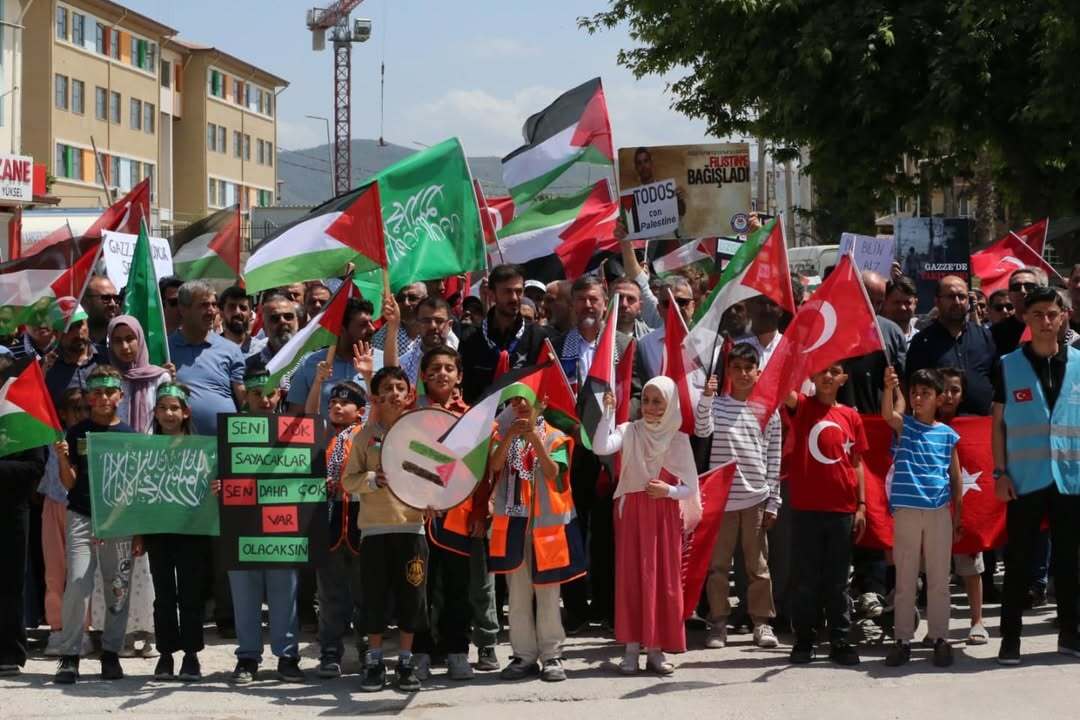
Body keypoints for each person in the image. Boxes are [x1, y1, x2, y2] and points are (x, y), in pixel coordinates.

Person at [992, 285, 1080, 665]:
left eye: (1053, 314)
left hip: (1071, 479)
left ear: (1064, 318)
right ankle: (1010, 640)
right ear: (1025, 318)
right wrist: (999, 472)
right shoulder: (1008, 364)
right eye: (1038, 314)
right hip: (1024, 479)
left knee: (1069, 563)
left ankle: (1070, 635)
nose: (1046, 321)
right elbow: (997, 426)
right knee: (1018, 564)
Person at [592, 377, 701, 675]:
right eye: (647, 400)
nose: (650, 408)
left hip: (664, 514)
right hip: (632, 513)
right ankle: (630, 649)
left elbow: (691, 487)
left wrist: (668, 491)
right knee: (632, 578)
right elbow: (601, 445)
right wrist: (608, 414)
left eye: (658, 402)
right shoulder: (629, 430)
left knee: (662, 580)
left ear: (670, 405)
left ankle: (655, 650)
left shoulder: (678, 439)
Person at [341, 366, 427, 693]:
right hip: (375, 532)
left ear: (408, 395)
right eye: (387, 388)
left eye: (400, 387)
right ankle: (375, 660)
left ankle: (405, 661)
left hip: (412, 530)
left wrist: (435, 499)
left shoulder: (417, 435)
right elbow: (348, 481)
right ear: (376, 397)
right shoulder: (364, 436)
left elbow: (435, 475)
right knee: (374, 599)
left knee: (412, 597)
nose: (394, 393)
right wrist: (374, 480)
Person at [418, 346, 501, 674]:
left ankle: (456, 650)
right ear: (423, 376)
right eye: (434, 368)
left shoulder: (473, 418)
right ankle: (421, 652)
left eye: (448, 368)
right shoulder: (413, 415)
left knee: (457, 587)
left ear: (459, 376)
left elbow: (482, 474)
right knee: (420, 586)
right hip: (420, 517)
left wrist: (480, 512)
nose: (441, 373)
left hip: (460, 515)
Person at [220, 367, 305, 684]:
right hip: (241, 524)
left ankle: (287, 657)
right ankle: (247, 658)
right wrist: (220, 484)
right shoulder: (229, 431)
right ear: (246, 395)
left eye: (269, 392)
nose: (264, 399)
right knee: (244, 593)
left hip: (283, 526)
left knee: (286, 590)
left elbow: (306, 474)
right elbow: (218, 472)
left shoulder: (295, 432)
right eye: (257, 393)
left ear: (279, 394)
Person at [693, 344, 781, 650]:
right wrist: (706, 397)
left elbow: (774, 458)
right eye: (737, 368)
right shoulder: (716, 405)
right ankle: (718, 621)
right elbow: (702, 429)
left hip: (756, 498)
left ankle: (762, 623)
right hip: (721, 501)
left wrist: (774, 501)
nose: (743, 374)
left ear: (758, 371)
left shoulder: (769, 409)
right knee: (717, 566)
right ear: (727, 371)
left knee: (757, 565)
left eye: (749, 368)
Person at [488, 396, 581, 683]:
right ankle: (523, 656)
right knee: (517, 596)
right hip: (513, 527)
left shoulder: (556, 437)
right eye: (514, 401)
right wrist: (511, 438)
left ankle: (552, 655)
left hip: (546, 530)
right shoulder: (502, 435)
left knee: (548, 596)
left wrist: (533, 439)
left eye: (526, 400)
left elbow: (554, 474)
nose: (521, 406)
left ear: (541, 403)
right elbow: (493, 466)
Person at [52, 366, 136, 684]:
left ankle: (111, 654)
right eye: (96, 392)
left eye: (108, 392)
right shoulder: (76, 433)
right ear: (88, 396)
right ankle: (70, 655)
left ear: (120, 395)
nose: (102, 398)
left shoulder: (131, 437)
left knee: (117, 589)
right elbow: (70, 484)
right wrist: (61, 459)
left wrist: (138, 529)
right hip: (82, 515)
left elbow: (135, 488)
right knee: (76, 583)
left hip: (119, 521)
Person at [785, 364, 867, 666]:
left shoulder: (851, 416)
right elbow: (784, 392)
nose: (829, 377)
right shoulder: (803, 407)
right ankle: (805, 639)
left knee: (837, 580)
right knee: (805, 579)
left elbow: (857, 463)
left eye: (835, 371)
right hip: (807, 508)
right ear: (813, 378)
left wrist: (862, 506)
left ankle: (840, 639)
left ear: (843, 378)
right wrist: (794, 355)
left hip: (842, 510)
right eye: (822, 372)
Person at [881, 367, 962, 667]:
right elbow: (888, 414)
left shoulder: (948, 434)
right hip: (907, 510)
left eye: (926, 393)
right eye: (915, 392)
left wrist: (959, 515)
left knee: (940, 578)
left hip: (939, 511)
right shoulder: (905, 426)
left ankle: (940, 637)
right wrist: (889, 388)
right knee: (905, 578)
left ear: (939, 398)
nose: (918, 397)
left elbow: (954, 477)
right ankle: (902, 639)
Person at [144, 383, 211, 682]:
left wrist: (217, 488)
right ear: (155, 413)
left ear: (185, 413)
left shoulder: (203, 449)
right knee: (164, 595)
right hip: (158, 530)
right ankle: (166, 654)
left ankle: (191, 654)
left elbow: (212, 488)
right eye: (163, 408)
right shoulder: (145, 450)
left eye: (174, 408)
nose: (169, 414)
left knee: (190, 593)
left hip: (192, 531)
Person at [314, 380, 366, 679]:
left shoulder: (366, 435)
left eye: (344, 403)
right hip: (328, 522)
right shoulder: (320, 436)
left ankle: (364, 649)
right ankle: (330, 652)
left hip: (359, 521)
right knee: (330, 594)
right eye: (332, 401)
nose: (336, 406)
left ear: (360, 411)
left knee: (364, 593)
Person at [0, 360, 48, 676]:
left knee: (8, 584)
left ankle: (7, 652)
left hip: (10, 510)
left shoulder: (21, 405)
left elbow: (35, 468)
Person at [936, 367, 990, 645]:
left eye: (955, 390)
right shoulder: (921, 423)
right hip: (932, 510)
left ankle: (977, 622)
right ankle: (937, 625)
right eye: (943, 389)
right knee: (932, 571)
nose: (947, 396)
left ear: (963, 394)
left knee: (970, 566)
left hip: (965, 509)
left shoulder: (974, 425)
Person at [40, 389, 89, 658]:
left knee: (80, 573)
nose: (80, 414)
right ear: (62, 414)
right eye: (75, 410)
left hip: (80, 509)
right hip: (53, 505)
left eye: (85, 409)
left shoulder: (88, 437)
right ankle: (57, 627)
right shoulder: (52, 437)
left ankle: (81, 630)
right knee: (54, 571)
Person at [906, 275, 997, 416]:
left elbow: (996, 378)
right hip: (937, 428)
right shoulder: (922, 341)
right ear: (937, 301)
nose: (957, 302)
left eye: (962, 297)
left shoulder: (984, 336)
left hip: (981, 426)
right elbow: (913, 386)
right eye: (951, 296)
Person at [459, 264, 550, 404]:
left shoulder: (538, 337)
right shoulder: (470, 338)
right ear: (491, 294)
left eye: (519, 291)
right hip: (479, 420)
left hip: (522, 420)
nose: (514, 298)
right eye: (507, 292)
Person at [287, 296, 386, 416]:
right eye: (363, 324)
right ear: (340, 329)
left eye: (371, 322)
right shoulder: (310, 363)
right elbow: (295, 415)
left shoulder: (383, 362)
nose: (372, 329)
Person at [168, 281, 245, 435]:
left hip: (224, 446)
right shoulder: (165, 349)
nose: (211, 311)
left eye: (213, 305)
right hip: (180, 447)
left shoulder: (230, 350)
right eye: (203, 305)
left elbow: (243, 400)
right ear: (183, 309)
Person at [107, 316, 172, 433]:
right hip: (116, 448)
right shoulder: (108, 380)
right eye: (117, 341)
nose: (124, 347)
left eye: (129, 338)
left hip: (152, 448)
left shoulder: (160, 378)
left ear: (140, 339)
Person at [45, 300, 99, 407]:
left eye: (79, 325)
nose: (77, 333)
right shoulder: (46, 370)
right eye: (69, 328)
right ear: (55, 333)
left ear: (87, 324)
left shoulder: (107, 357)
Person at [246, 291, 301, 394]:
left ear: (297, 322)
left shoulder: (312, 361)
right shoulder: (249, 366)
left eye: (288, 317)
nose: (283, 321)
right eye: (275, 318)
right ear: (264, 328)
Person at [398, 296, 458, 386]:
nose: (433, 326)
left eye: (439, 321)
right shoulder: (404, 365)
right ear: (417, 325)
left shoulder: (462, 358)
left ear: (449, 325)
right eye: (426, 321)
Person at [991, 267, 1047, 356]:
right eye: (1016, 287)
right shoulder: (994, 333)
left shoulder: (1051, 326)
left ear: (1040, 291)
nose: (1023, 291)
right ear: (1009, 295)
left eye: (1029, 286)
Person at [371, 282, 427, 353]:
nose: (406, 303)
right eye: (401, 298)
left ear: (425, 300)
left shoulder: (433, 329)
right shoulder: (384, 337)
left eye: (412, 298)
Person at [219, 286, 265, 357]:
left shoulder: (262, 351)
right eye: (232, 307)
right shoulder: (209, 351)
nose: (237, 312)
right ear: (221, 313)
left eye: (243, 308)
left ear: (250, 315)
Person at [83, 276, 121, 355]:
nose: (113, 304)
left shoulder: (123, 342)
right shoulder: (73, 345)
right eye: (106, 298)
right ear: (86, 302)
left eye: (116, 298)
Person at [882, 276, 919, 344]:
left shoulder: (922, 340)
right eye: (897, 302)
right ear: (885, 303)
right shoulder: (876, 339)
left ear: (915, 303)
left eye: (907, 303)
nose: (902, 307)